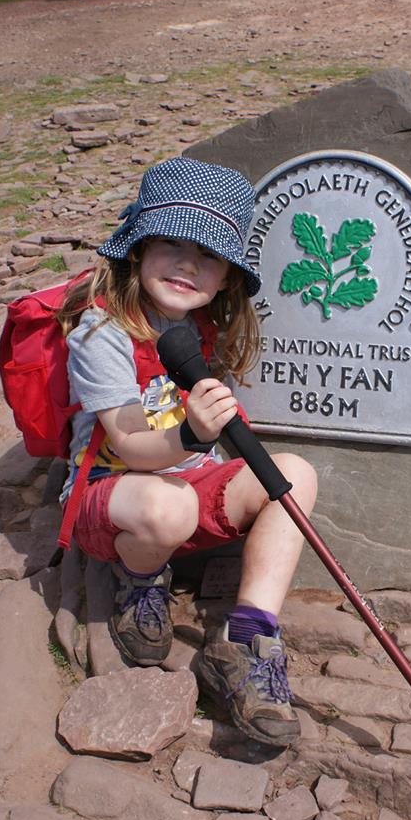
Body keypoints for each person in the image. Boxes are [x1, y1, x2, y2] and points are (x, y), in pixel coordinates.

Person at [56, 157, 318, 749]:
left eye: (208, 255)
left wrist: (212, 438)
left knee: (293, 477)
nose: (187, 264)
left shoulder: (203, 327)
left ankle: (249, 640)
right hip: (115, 492)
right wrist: (195, 435)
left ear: (226, 276)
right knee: (168, 508)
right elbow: (128, 440)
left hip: (183, 483)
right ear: (138, 249)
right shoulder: (101, 335)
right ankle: (140, 580)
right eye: (171, 243)